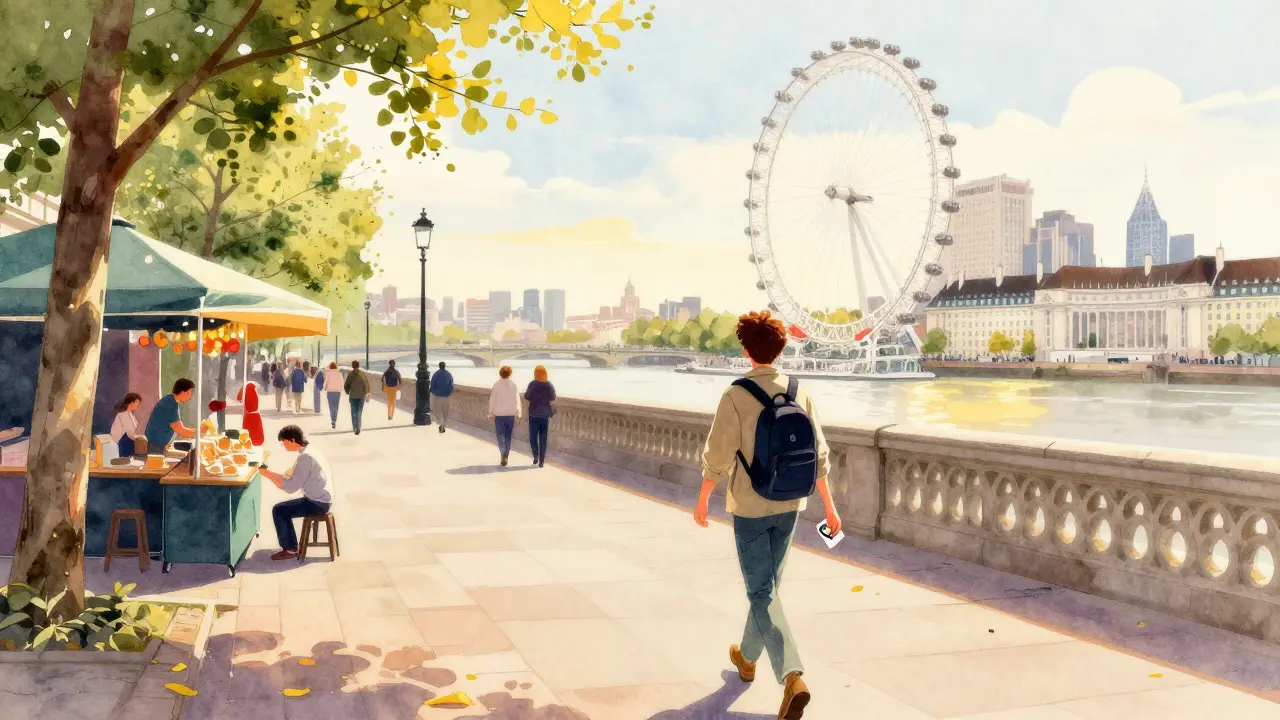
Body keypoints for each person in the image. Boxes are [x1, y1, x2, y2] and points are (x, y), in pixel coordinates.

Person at [694, 310, 842, 720]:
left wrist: (704, 497)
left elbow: (717, 456)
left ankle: (792, 675)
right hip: (793, 502)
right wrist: (829, 506)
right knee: (769, 588)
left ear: (746, 350)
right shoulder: (800, 390)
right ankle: (745, 658)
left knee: (761, 591)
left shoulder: (735, 394)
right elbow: (821, 456)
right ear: (781, 347)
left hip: (751, 506)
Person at [258, 425, 332, 561]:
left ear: (292, 440)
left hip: (317, 502)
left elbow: (290, 487)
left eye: (284, 442)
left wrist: (266, 474)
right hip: (322, 497)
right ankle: (291, 546)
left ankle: (291, 549)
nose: (283, 446)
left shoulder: (305, 457)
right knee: (283, 508)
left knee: (279, 510)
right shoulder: (310, 451)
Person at [143, 378, 197, 450]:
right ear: (182, 392)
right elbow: (181, 430)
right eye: (189, 393)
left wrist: (197, 431)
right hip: (157, 446)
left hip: (160, 444)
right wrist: (198, 432)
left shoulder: (171, 401)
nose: (190, 397)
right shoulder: (170, 404)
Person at [487, 365, 521, 466]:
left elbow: (492, 400)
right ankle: (506, 453)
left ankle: (503, 453)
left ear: (500, 374)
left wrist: (490, 412)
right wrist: (518, 412)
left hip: (499, 414)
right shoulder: (513, 385)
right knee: (508, 435)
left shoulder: (497, 385)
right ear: (510, 373)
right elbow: (517, 400)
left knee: (500, 435)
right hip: (510, 414)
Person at [524, 365, 556, 468]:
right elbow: (553, 397)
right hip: (544, 415)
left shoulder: (532, 384)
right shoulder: (548, 385)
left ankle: (535, 456)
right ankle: (541, 461)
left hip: (533, 414)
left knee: (533, 437)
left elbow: (527, 396)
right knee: (543, 438)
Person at [110, 393, 143, 457]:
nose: (138, 404)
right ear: (130, 402)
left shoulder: (132, 415)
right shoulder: (122, 415)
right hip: (123, 443)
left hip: (130, 442)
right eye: (136, 402)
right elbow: (129, 431)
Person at [343, 360, 371, 435]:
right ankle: (358, 427)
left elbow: (346, 385)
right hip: (361, 396)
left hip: (353, 396)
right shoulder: (362, 374)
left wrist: (348, 392)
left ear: (352, 366)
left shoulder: (350, 375)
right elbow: (366, 384)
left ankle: (354, 427)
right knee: (359, 412)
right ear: (358, 366)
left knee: (353, 412)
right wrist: (367, 393)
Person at [429, 361, 454, 433]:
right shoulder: (449, 374)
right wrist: (448, 393)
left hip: (438, 396)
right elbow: (451, 385)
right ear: (444, 366)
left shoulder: (436, 374)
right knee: (445, 412)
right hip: (446, 396)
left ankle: (440, 424)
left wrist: (432, 392)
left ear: (439, 366)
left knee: (437, 412)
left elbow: (432, 385)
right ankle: (443, 425)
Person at [323, 362, 343, 429]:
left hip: (330, 391)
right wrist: (340, 389)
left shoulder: (328, 373)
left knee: (331, 407)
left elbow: (325, 382)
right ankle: (335, 420)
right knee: (336, 406)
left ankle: (332, 420)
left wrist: (325, 388)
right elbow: (342, 382)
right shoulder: (339, 374)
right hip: (337, 392)